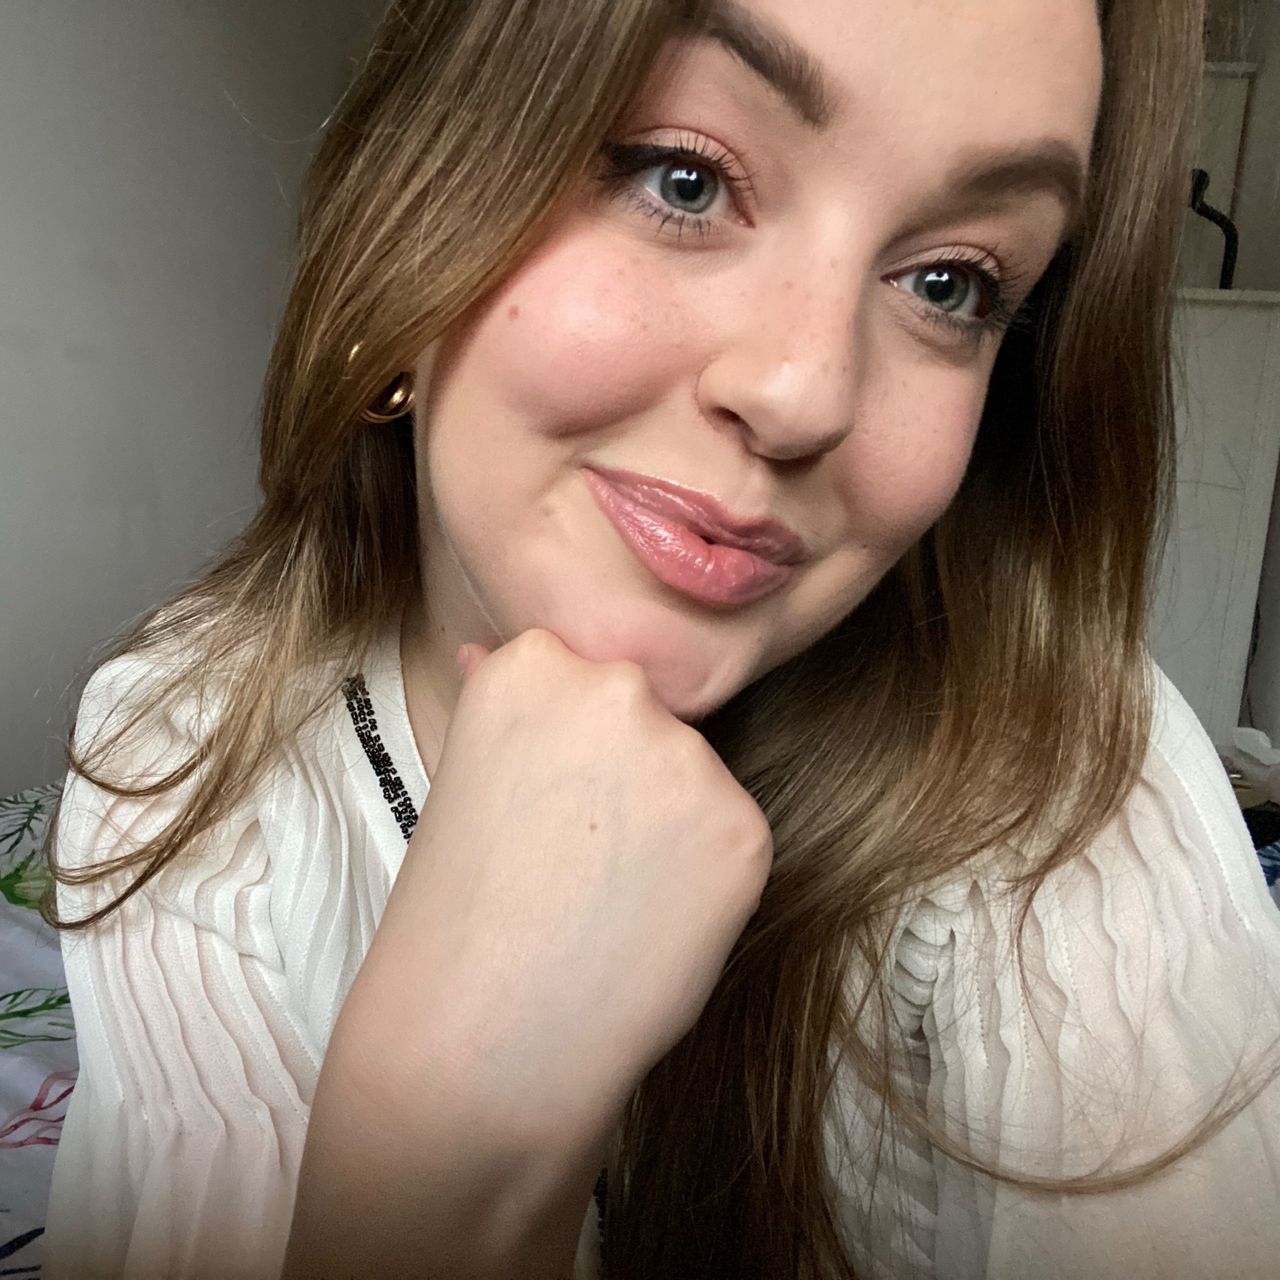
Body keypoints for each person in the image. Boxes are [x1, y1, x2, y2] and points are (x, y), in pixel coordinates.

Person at [39, 0, 1280, 1275]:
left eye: (948, 283)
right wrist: (436, 1154)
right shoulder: (180, 742)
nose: (805, 393)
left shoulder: (1066, 788)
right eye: (682, 178)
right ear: (411, 213)